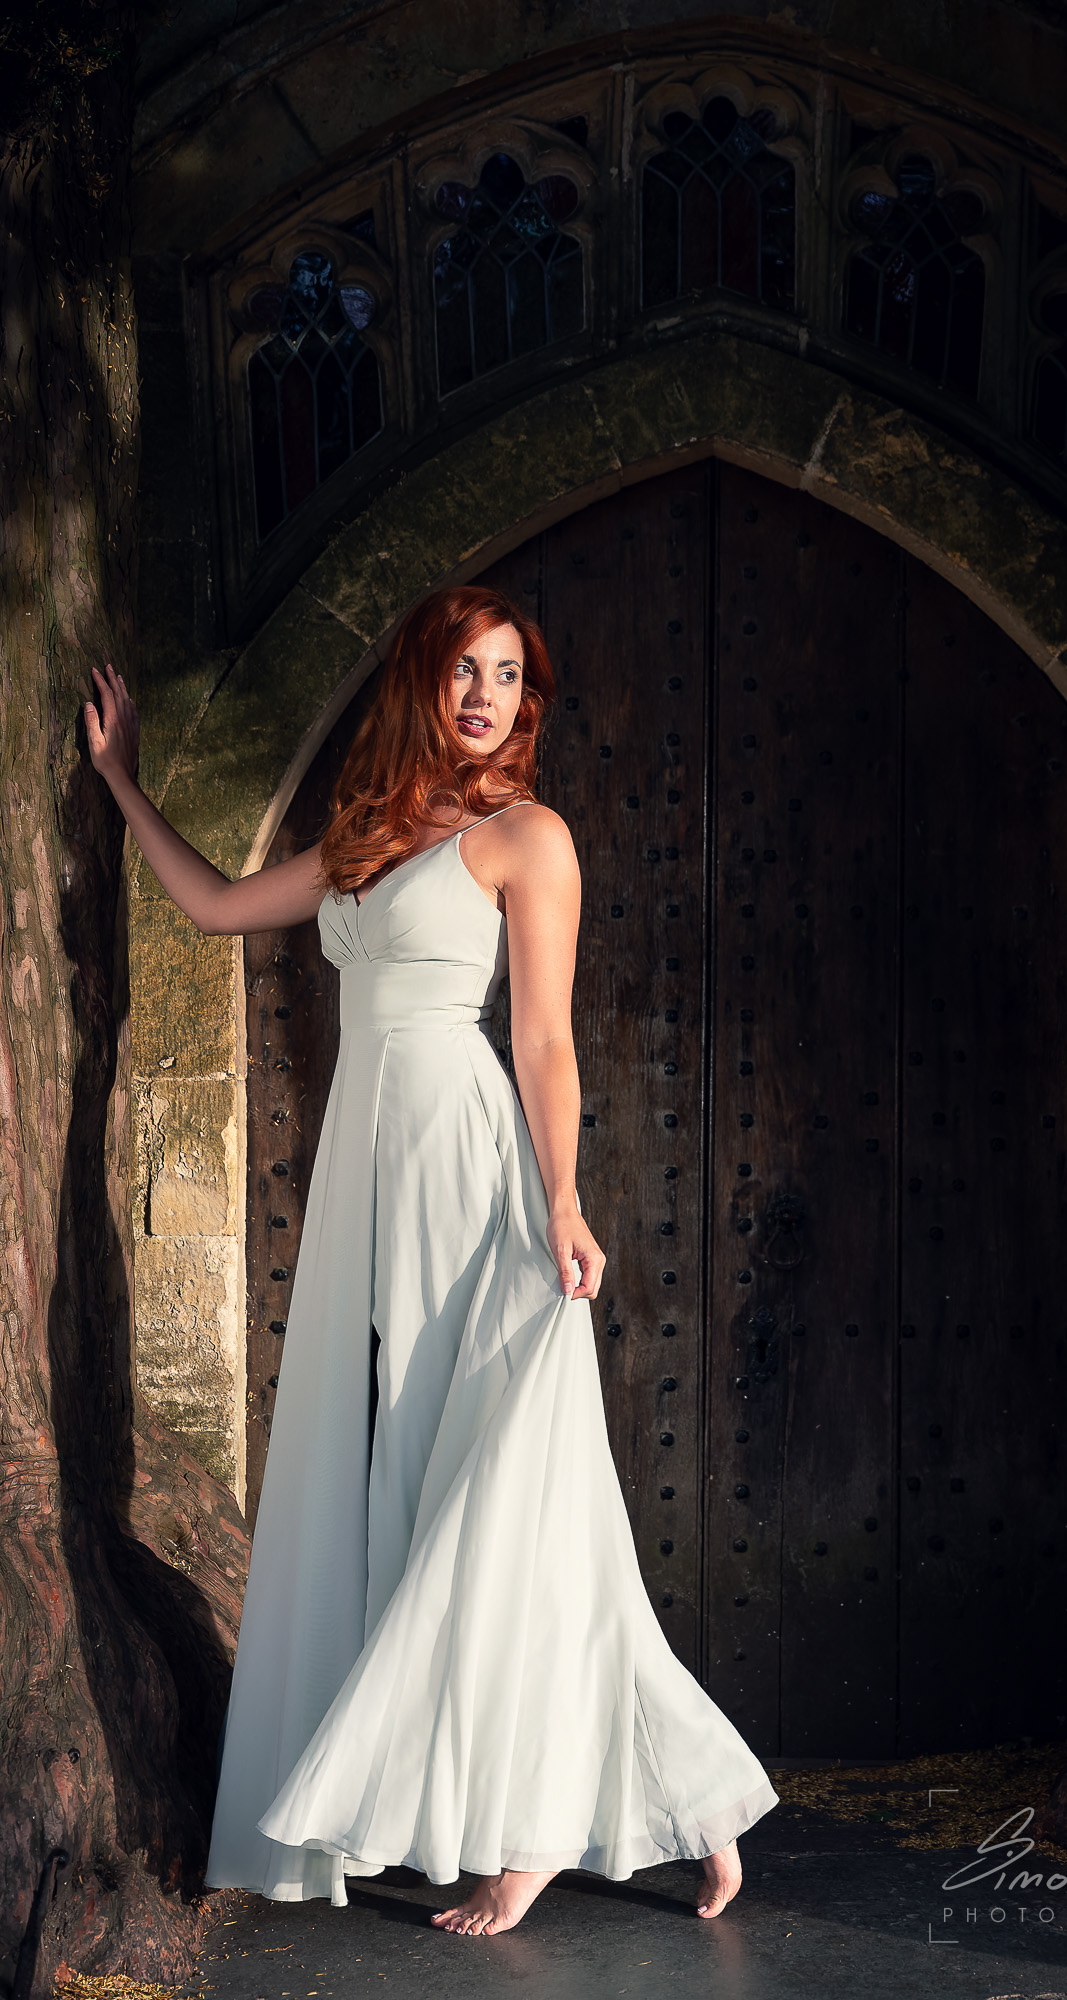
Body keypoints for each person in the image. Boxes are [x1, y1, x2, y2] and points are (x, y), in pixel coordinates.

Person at [85, 584, 778, 1939]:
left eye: (509, 676)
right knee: (446, 1489)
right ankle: (689, 1803)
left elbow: (542, 1042)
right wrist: (118, 779)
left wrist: (563, 1204)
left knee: (506, 1493)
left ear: (528, 701)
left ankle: (526, 1831)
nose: (485, 696)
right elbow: (221, 907)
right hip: (372, 1188)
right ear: (420, 683)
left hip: (475, 1179)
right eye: (465, 670)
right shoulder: (365, 834)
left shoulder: (529, 838)